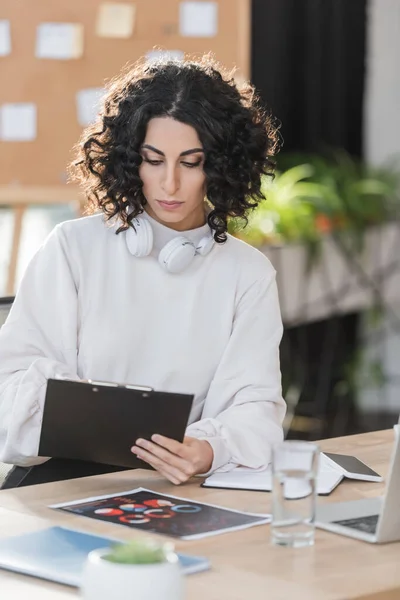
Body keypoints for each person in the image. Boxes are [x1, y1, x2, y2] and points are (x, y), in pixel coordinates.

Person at [0, 56, 285, 487]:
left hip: (176, 484)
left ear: (222, 165)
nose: (169, 184)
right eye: (153, 160)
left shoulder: (248, 274)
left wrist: (207, 449)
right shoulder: (73, 247)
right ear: (130, 160)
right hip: (61, 479)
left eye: (191, 162)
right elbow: (10, 386)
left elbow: (257, 406)